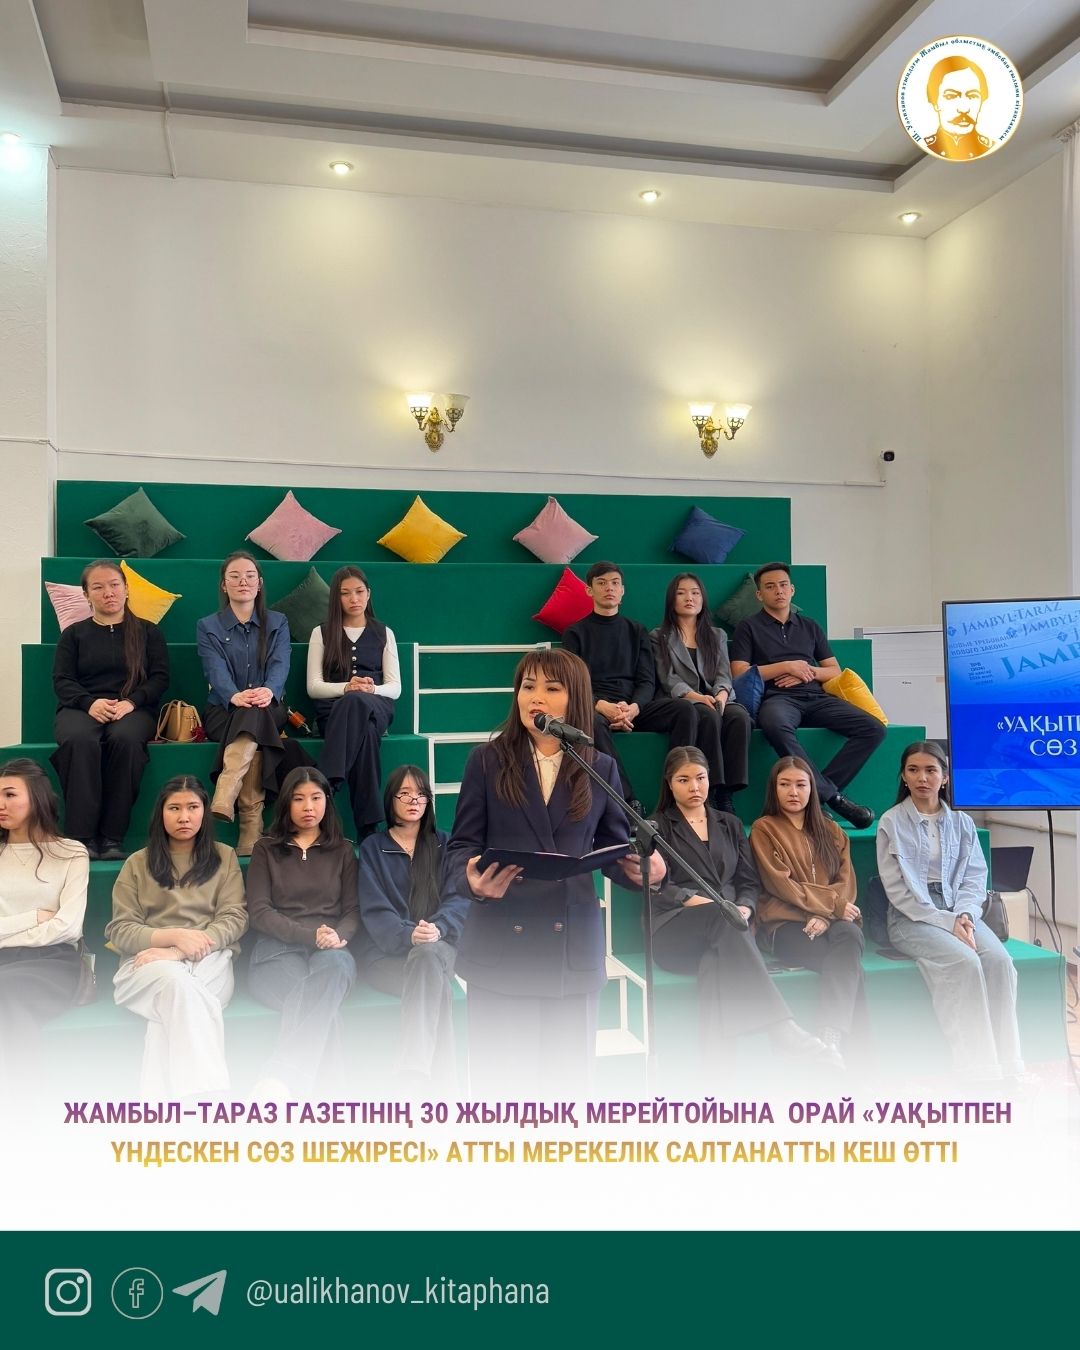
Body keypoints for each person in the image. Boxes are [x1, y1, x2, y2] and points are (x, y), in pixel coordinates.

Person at [447, 648, 662, 1095]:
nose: (536, 697)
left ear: (575, 698)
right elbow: (460, 847)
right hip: (501, 946)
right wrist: (470, 878)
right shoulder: (486, 761)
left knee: (567, 1094)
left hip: (571, 952)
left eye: (551, 688)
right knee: (502, 1095)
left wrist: (645, 870)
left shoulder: (599, 767)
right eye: (528, 687)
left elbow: (612, 850)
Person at [647, 746, 837, 1072]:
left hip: (728, 929)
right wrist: (706, 904)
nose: (694, 787)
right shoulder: (656, 826)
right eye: (683, 780)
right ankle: (782, 1028)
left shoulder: (730, 823)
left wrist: (746, 908)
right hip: (674, 930)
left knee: (714, 964)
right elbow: (657, 887)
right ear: (669, 783)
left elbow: (748, 882)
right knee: (722, 919)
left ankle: (719, 1074)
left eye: (700, 778)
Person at [876, 741, 1025, 1081]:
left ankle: (1008, 1063)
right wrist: (946, 920)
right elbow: (898, 891)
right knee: (965, 962)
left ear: (944, 777)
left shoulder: (962, 821)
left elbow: (975, 878)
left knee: (1000, 962)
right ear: (903, 776)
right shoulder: (891, 822)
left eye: (931, 770)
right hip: (911, 917)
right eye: (913, 770)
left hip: (960, 911)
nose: (922, 778)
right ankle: (977, 1068)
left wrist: (965, 915)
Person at [107, 776, 246, 1098]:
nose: (184, 817)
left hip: (210, 959)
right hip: (147, 964)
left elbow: (235, 918)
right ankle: (206, 1099)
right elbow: (121, 929)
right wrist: (173, 937)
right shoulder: (137, 863)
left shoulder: (224, 856)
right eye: (175, 808)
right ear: (161, 813)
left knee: (170, 1011)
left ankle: (160, 1107)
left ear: (205, 812)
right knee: (175, 985)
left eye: (193, 807)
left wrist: (179, 951)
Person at [729, 562, 884, 829]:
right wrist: (787, 666)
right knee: (774, 725)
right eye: (770, 587)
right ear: (759, 595)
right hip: (778, 698)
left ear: (792, 590)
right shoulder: (748, 627)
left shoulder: (810, 626)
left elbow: (833, 670)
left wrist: (806, 672)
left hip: (816, 696)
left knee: (874, 729)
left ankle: (818, 796)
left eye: (783, 585)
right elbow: (740, 673)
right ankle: (834, 798)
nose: (778, 591)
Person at [562, 561, 724, 808]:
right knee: (591, 723)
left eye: (615, 583)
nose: (609, 588)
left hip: (635, 706)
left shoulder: (636, 630)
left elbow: (647, 679)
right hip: (597, 706)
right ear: (589, 590)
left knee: (685, 710)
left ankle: (674, 797)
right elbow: (573, 684)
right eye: (602, 583)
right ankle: (627, 802)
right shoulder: (575, 633)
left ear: (623, 591)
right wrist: (601, 706)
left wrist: (634, 707)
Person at [246, 766, 359, 1097]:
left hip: (331, 949)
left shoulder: (342, 851)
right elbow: (259, 912)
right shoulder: (266, 849)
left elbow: (352, 911)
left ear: (327, 802)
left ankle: (278, 1081)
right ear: (286, 803)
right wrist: (309, 936)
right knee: (322, 1008)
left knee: (333, 971)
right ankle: (333, 1106)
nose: (308, 807)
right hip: (277, 950)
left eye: (316, 798)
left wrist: (338, 936)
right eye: (298, 799)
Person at [357, 764, 469, 1087]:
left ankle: (412, 1074)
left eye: (421, 794)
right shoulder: (373, 848)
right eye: (404, 793)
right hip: (385, 957)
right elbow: (374, 908)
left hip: (438, 947)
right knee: (438, 987)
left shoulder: (444, 843)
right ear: (390, 800)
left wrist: (438, 929)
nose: (414, 800)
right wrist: (409, 934)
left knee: (428, 956)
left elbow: (459, 898)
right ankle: (445, 1092)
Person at [750, 756, 866, 1066]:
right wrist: (828, 908)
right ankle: (857, 1061)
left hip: (829, 921)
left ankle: (830, 1044)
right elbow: (781, 885)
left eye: (801, 785)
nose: (793, 792)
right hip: (785, 925)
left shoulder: (832, 830)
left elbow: (846, 882)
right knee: (851, 969)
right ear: (774, 789)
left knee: (850, 935)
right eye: (784, 784)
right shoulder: (764, 829)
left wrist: (825, 916)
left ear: (812, 789)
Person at [51, 560, 169, 859]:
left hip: (134, 707)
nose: (108, 593)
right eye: (98, 587)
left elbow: (159, 678)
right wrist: (89, 703)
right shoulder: (73, 634)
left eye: (115, 585)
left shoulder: (148, 631)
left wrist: (132, 702)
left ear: (126, 589)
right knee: (79, 740)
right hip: (81, 706)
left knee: (126, 740)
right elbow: (62, 680)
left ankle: (111, 837)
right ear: (86, 595)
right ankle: (81, 837)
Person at [196, 550, 308, 856]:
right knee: (252, 721)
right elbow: (213, 667)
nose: (242, 581)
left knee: (256, 713)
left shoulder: (278, 622)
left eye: (249, 576)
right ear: (224, 585)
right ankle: (250, 829)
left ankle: (227, 790)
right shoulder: (208, 626)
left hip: (269, 706)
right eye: (234, 576)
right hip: (223, 710)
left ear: (259, 583)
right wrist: (234, 695)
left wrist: (269, 691)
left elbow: (281, 664)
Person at [0, 759, 89, 1091]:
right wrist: (33, 918)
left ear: (36, 797)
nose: (1, 804)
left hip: (52, 961)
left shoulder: (70, 853)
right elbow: (51, 921)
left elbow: (68, 927)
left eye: (10, 794)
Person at [309, 566, 399, 839]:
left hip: (376, 705)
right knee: (366, 733)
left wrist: (370, 689)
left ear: (368, 594)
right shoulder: (321, 633)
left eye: (359, 591)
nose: (354, 598)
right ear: (336, 598)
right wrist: (347, 687)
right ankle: (368, 829)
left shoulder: (384, 632)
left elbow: (395, 688)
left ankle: (327, 783)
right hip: (334, 711)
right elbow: (313, 687)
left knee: (359, 701)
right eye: (345, 593)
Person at [650, 572, 751, 813]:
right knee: (708, 715)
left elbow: (724, 674)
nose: (689, 598)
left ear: (703, 599)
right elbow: (668, 678)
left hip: (717, 697)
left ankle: (727, 793)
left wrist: (721, 696)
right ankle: (712, 788)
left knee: (739, 717)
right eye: (681, 593)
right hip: (684, 699)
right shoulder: (659, 636)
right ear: (671, 600)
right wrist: (697, 697)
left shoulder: (717, 635)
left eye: (695, 593)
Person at [925, 56, 994, 160]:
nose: (964, 108)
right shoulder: (927, 146)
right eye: (951, 96)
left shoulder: (991, 148)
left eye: (973, 96)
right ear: (935, 102)